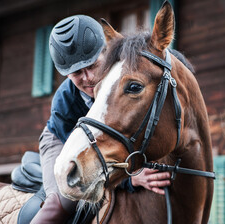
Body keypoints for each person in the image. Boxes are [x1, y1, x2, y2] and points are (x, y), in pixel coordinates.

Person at [31, 15, 171, 223]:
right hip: (62, 139)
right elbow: (90, 158)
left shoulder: (120, 84)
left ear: (107, 53)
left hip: (100, 142)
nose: (87, 77)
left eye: (93, 65)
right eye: (76, 73)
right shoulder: (64, 101)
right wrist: (130, 178)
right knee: (63, 199)